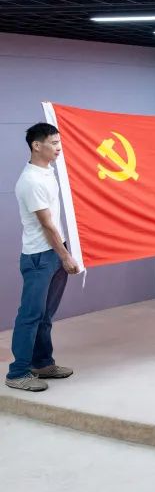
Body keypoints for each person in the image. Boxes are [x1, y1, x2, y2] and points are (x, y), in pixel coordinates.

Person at [6, 123, 80, 392]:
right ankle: (17, 373)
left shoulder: (48, 172)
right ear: (37, 146)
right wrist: (66, 256)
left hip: (55, 251)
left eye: (59, 142)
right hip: (40, 256)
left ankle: (42, 363)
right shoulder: (31, 181)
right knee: (30, 315)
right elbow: (47, 224)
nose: (59, 147)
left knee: (45, 315)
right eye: (54, 143)